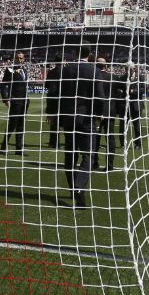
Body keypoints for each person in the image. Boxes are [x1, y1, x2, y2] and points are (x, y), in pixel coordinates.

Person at [57, 47, 99, 207]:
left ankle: (73, 189)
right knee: (88, 156)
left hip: (69, 118)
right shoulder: (93, 70)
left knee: (70, 155)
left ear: (74, 53)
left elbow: (59, 93)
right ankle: (79, 186)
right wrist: (98, 113)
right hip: (87, 118)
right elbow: (100, 96)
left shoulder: (66, 70)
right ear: (89, 55)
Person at [0, 51, 29, 154]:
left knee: (21, 125)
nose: (19, 60)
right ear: (14, 59)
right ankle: (3, 147)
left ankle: (19, 149)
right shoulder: (10, 70)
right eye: (18, 58)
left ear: (24, 59)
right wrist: (6, 99)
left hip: (24, 101)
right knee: (12, 125)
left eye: (21, 58)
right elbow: (3, 85)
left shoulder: (25, 69)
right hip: (15, 101)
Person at [43, 55, 63, 149]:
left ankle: (52, 142)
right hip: (61, 98)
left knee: (52, 121)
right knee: (60, 122)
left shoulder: (51, 72)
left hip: (51, 97)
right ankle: (56, 143)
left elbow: (46, 85)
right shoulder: (65, 71)